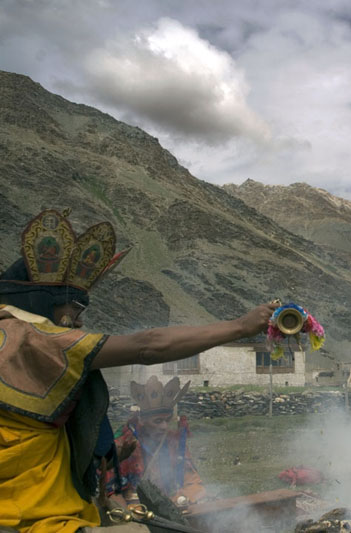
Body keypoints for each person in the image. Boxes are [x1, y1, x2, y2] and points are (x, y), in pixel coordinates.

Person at [0, 209, 278, 532]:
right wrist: (241, 326)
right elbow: (148, 346)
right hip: (37, 522)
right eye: (73, 310)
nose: (79, 323)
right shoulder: (34, 339)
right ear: (41, 303)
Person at [110, 376, 206, 506]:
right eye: (158, 421)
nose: (165, 427)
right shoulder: (124, 445)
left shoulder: (174, 442)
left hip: (173, 504)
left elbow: (192, 480)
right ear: (142, 421)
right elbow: (111, 492)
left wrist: (187, 498)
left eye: (167, 420)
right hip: (138, 509)